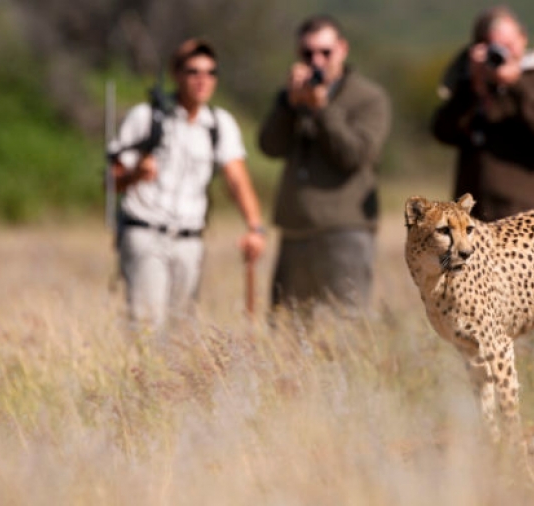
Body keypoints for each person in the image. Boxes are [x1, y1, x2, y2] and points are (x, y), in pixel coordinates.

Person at [109, 38, 267, 331]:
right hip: (146, 231)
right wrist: (136, 174)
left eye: (210, 72)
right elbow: (113, 181)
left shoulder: (220, 124)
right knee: (147, 326)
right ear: (176, 74)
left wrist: (255, 227)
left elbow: (236, 177)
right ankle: (142, 376)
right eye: (193, 71)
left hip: (190, 239)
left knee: (181, 331)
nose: (202, 80)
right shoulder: (146, 117)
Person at [258, 14, 391, 316]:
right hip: (295, 229)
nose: (316, 61)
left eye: (325, 52)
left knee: (346, 326)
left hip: (345, 229)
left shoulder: (369, 98)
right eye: (308, 54)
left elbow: (355, 156)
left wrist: (323, 109)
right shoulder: (292, 97)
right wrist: (288, 106)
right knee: (287, 329)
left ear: (342, 49)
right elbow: (270, 147)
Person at [431, 5, 534, 221]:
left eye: (507, 45)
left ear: (523, 38)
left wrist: (516, 85)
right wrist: (472, 89)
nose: (501, 54)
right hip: (476, 220)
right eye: (492, 47)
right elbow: (442, 132)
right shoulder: (472, 86)